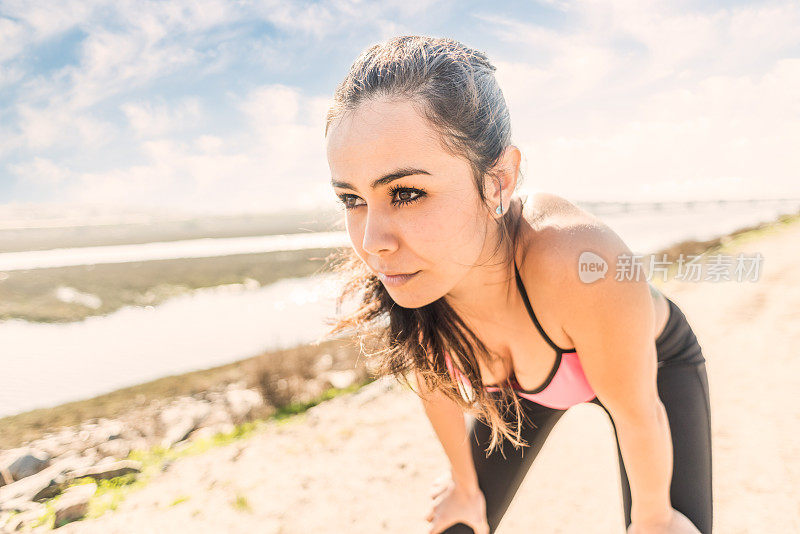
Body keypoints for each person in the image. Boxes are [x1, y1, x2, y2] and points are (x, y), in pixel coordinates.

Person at [323, 35, 712, 534]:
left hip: (650, 368)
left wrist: (654, 516)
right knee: (458, 522)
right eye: (352, 199)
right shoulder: (410, 276)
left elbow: (639, 414)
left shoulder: (581, 260)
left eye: (407, 192)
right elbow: (434, 390)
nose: (373, 242)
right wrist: (463, 485)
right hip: (521, 384)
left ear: (499, 179)